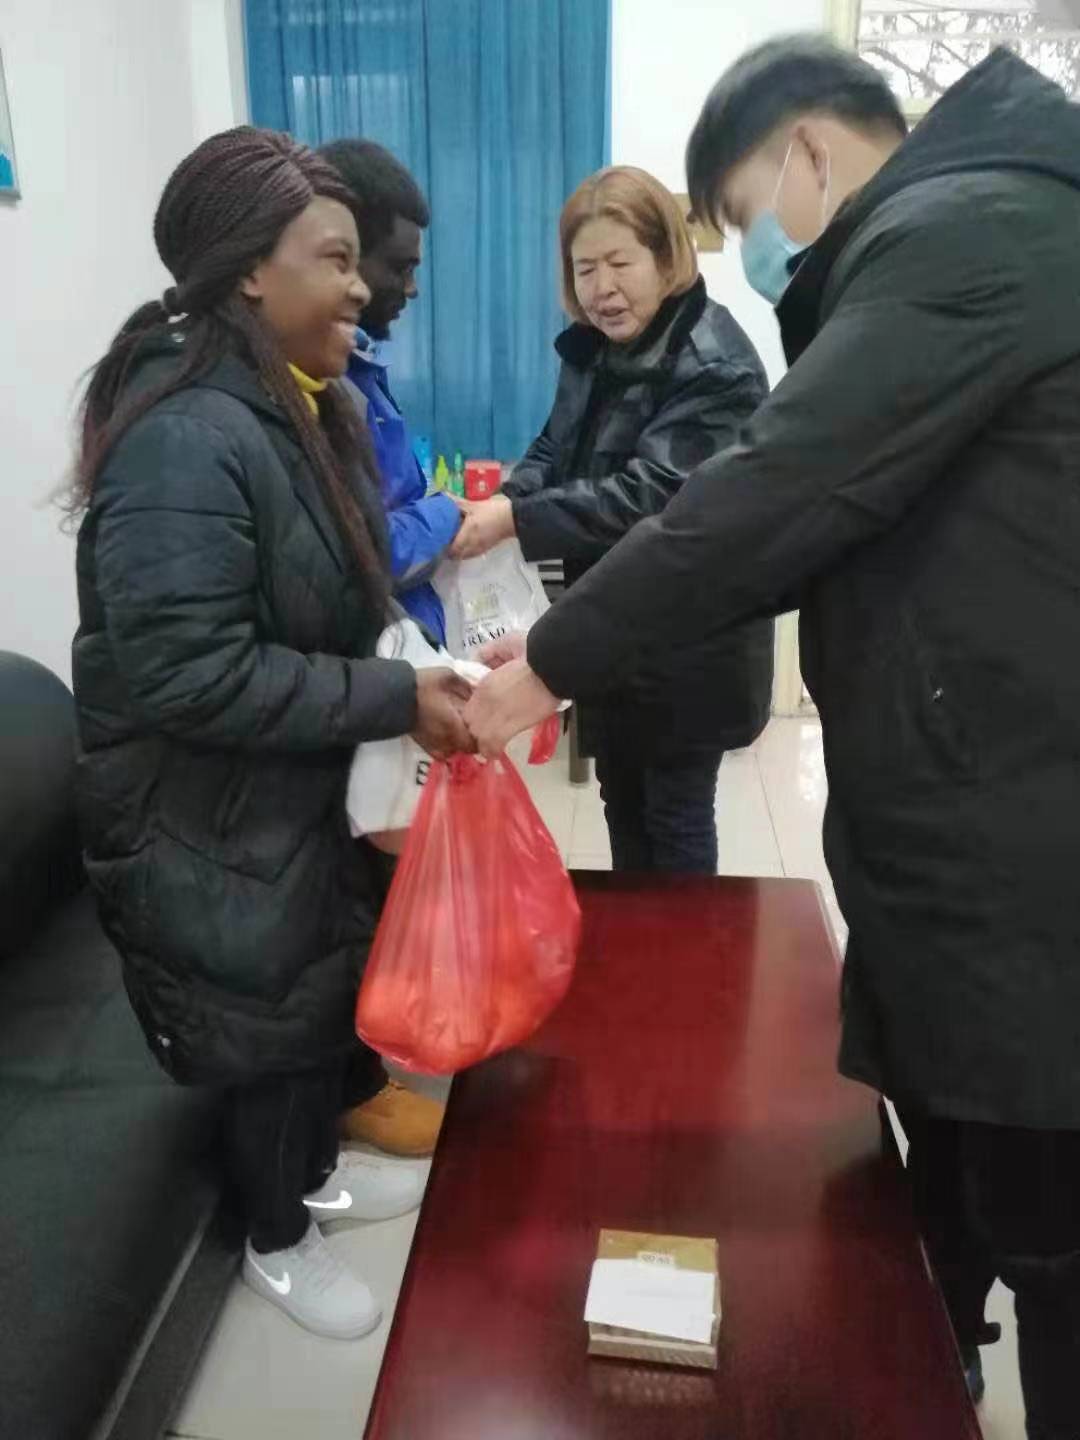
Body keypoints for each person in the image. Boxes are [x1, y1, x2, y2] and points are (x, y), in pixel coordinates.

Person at [465, 40, 1080, 1436]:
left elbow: (769, 495)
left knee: (1047, 1213)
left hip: (1022, 824)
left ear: (809, 148)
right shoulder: (987, 217)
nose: (759, 249)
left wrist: (548, 665)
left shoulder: (964, 236)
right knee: (952, 1156)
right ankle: (928, 1355)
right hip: (968, 784)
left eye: (747, 214)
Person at [70, 127, 475, 1340]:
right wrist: (393, 697)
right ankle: (275, 1238)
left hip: (275, 795)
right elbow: (189, 673)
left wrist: (425, 667)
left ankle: (313, 1178)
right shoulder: (185, 438)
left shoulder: (294, 405)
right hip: (200, 816)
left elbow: (328, 591)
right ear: (251, 270)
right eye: (335, 260)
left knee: (308, 1004)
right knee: (261, 1021)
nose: (360, 289)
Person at [452, 166, 773, 874]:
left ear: (664, 257)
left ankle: (683, 946)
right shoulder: (594, 348)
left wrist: (516, 519)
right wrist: (504, 499)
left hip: (686, 640)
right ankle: (641, 943)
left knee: (674, 814)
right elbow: (553, 445)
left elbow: (650, 495)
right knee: (619, 799)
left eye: (620, 263)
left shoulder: (713, 362)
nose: (603, 287)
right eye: (585, 268)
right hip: (605, 620)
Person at [319, 138, 460, 644]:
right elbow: (369, 553)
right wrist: (448, 512)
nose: (412, 288)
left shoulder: (360, 370)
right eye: (400, 268)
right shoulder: (321, 390)